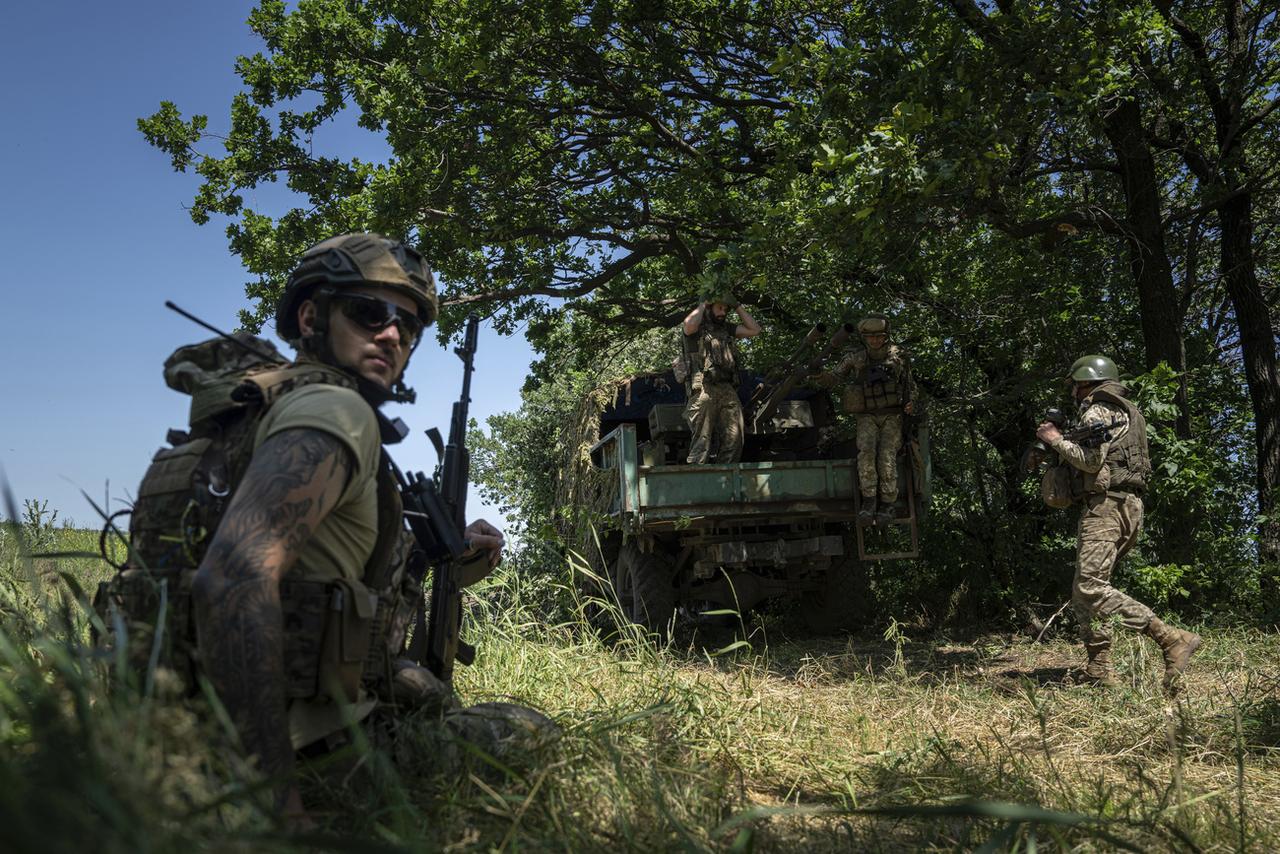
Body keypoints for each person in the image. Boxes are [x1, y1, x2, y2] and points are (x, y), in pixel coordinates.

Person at [107, 233, 534, 824]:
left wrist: (454, 559)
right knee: (527, 732)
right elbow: (232, 581)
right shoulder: (337, 412)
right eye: (369, 313)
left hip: (174, 740)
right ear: (312, 316)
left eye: (408, 328)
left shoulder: (263, 410)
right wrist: (273, 799)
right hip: (312, 758)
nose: (391, 335)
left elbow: (333, 575)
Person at [1036, 355, 1201, 691]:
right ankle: (1098, 672)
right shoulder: (1123, 410)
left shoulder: (1097, 408)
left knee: (1090, 588)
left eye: (1074, 385)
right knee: (1087, 594)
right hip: (1127, 506)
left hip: (1107, 508)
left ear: (1085, 382)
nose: (1072, 393)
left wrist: (1055, 439)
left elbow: (1092, 460)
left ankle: (1171, 639)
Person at [827, 315, 915, 526]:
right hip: (867, 415)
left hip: (892, 414)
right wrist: (818, 376)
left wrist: (912, 401)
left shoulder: (898, 356)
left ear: (886, 336)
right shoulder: (856, 358)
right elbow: (834, 377)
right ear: (864, 337)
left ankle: (887, 505)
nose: (875, 340)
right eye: (870, 337)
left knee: (887, 457)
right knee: (866, 453)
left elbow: (910, 384)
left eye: (879, 336)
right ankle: (869, 503)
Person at [680, 293, 761, 464]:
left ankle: (726, 477)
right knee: (702, 439)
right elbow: (687, 326)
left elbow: (755, 330)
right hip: (703, 387)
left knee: (735, 436)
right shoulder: (696, 328)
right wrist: (703, 302)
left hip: (726, 388)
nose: (723, 312)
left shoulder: (727, 328)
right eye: (719, 307)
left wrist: (738, 306)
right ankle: (697, 478)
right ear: (709, 307)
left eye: (726, 309)